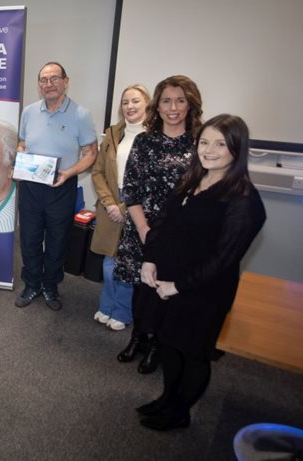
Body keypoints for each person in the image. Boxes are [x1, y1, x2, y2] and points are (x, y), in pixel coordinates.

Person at [135, 114, 266, 431]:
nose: (209, 150)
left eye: (220, 144)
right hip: (166, 280)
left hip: (201, 292)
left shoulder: (244, 200)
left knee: (192, 352)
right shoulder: (192, 178)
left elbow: (224, 259)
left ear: (237, 149)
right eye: (204, 142)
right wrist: (150, 258)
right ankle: (167, 398)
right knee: (167, 343)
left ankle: (180, 412)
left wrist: (178, 286)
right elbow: (164, 223)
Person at [114, 75, 203, 374]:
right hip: (143, 227)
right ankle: (137, 337)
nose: (173, 107)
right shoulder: (144, 140)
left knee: (164, 291)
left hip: (180, 235)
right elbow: (131, 189)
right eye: (166, 100)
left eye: (180, 100)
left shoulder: (200, 144)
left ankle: (156, 345)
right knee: (141, 289)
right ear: (158, 105)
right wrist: (143, 231)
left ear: (190, 104)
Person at [15, 62, 98, 311]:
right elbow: (22, 142)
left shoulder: (80, 115)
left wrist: (69, 172)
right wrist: (21, 158)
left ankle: (50, 286)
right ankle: (31, 284)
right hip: (31, 186)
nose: (48, 84)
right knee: (28, 238)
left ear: (66, 81)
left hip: (61, 186)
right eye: (43, 79)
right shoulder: (29, 112)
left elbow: (90, 153)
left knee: (57, 240)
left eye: (54, 79)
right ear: (38, 84)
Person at [90, 84, 151, 331]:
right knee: (108, 260)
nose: (130, 106)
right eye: (125, 102)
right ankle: (107, 306)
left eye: (135, 101)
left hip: (138, 206)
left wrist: (125, 207)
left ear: (147, 103)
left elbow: (150, 181)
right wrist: (109, 203)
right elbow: (98, 172)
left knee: (128, 263)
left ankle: (123, 312)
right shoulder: (113, 133)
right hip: (110, 203)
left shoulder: (154, 137)